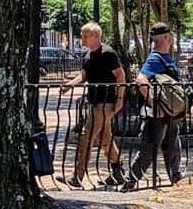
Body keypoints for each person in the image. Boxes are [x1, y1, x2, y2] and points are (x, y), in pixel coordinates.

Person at [57, 22, 126, 188]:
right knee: (105, 140)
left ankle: (78, 176)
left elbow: (120, 75)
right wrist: (69, 85)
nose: (83, 38)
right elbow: (84, 75)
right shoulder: (88, 55)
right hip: (94, 102)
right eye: (83, 35)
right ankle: (118, 173)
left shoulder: (108, 53)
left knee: (86, 137)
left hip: (105, 103)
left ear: (96, 36)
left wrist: (120, 99)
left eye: (85, 35)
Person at [122, 22, 184, 191]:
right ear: (167, 38)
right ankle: (130, 181)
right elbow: (141, 79)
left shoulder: (164, 58)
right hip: (156, 114)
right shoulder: (155, 58)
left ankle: (176, 177)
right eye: (170, 36)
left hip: (169, 113)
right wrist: (153, 101)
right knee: (148, 149)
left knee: (172, 145)